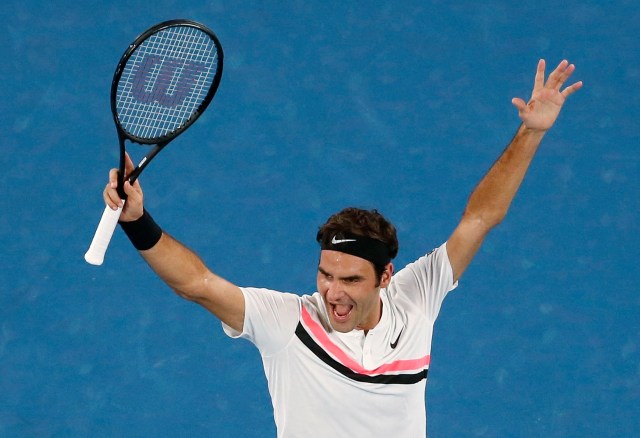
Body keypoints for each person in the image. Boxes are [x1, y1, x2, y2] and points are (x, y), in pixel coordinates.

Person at [104, 59, 582, 437]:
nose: (332, 292)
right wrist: (138, 222)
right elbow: (196, 284)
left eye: (351, 279)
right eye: (326, 274)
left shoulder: (415, 298)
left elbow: (480, 218)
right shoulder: (288, 324)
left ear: (386, 277)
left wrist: (531, 132)